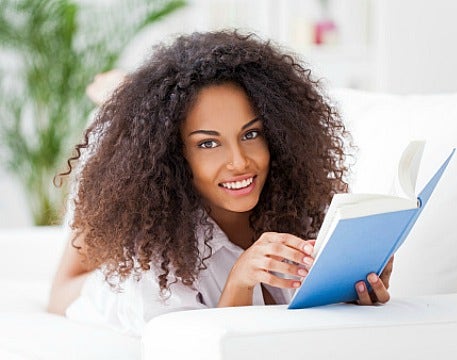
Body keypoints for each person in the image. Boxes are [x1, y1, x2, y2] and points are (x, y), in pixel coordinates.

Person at [47, 30, 393, 335]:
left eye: (252, 134)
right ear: (176, 153)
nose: (240, 162)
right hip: (99, 291)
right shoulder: (154, 262)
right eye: (207, 143)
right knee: (111, 157)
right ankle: (117, 95)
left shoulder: (301, 208)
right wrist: (240, 280)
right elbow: (206, 347)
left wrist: (355, 295)